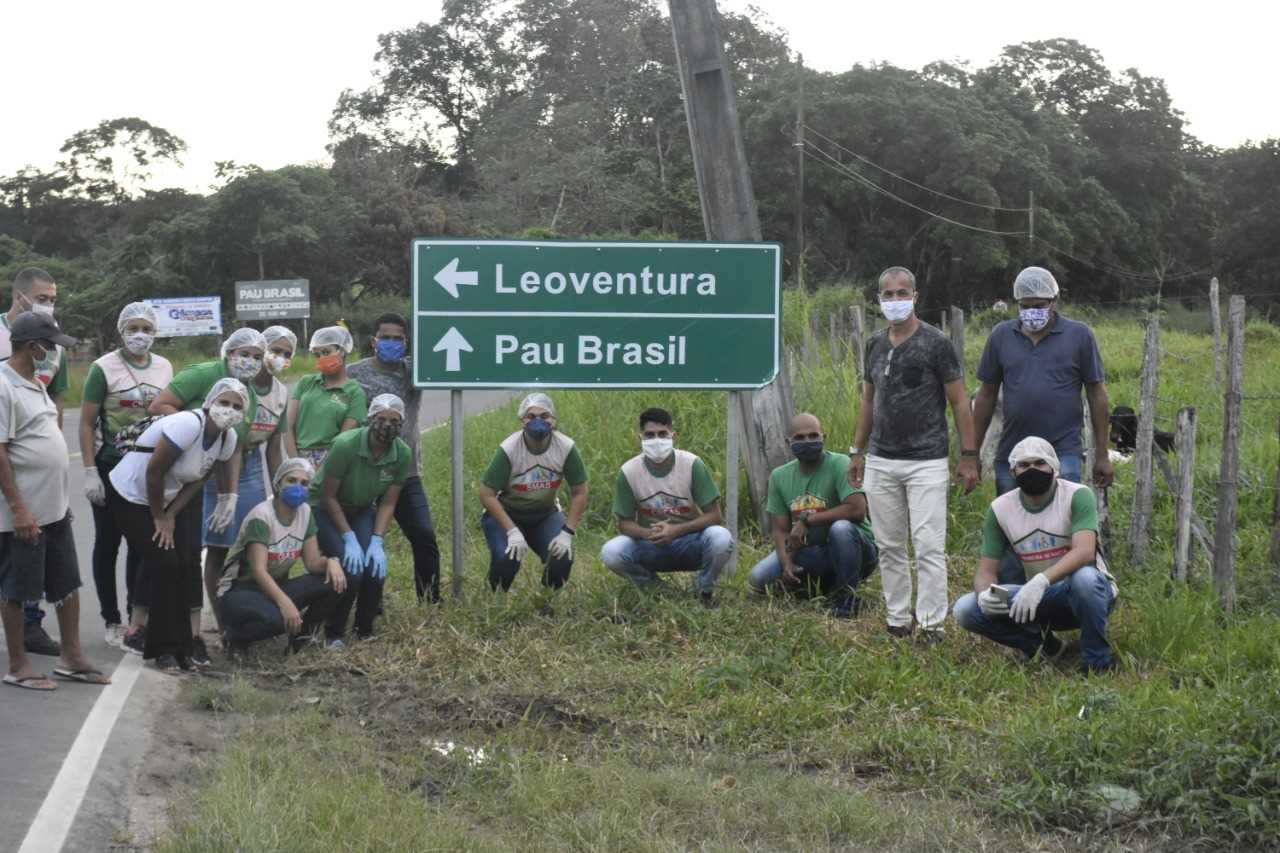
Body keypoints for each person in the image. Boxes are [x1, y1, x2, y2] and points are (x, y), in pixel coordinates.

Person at [849, 266, 979, 642]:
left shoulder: (937, 343)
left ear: (915, 296)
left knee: (927, 546)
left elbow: (958, 401)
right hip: (882, 459)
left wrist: (968, 455)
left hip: (927, 460)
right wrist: (857, 450)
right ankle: (897, 619)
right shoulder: (874, 344)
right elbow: (868, 400)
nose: (894, 301)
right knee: (889, 545)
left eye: (901, 293)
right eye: (887, 295)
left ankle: (932, 624)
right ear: (878, 300)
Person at [0, 312, 110, 690]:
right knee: (17, 587)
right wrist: (18, 508)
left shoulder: (35, 383)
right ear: (32, 346)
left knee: (67, 582)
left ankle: (72, 656)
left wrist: (61, 502)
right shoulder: (3, 385)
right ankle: (18, 665)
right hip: (22, 511)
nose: (54, 353)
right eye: (50, 346)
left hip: (54, 507)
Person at [112, 378, 247, 670]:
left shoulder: (227, 438)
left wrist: (172, 513)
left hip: (165, 498)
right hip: (130, 494)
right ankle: (162, 650)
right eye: (224, 402)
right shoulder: (188, 424)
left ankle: (183, 646)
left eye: (237, 406)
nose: (229, 410)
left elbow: (199, 478)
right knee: (164, 564)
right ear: (209, 402)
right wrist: (160, 516)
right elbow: (154, 472)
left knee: (183, 565)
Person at [953, 437, 1118, 675]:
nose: (1032, 470)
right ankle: (1045, 647)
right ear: (1012, 471)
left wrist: (1041, 581)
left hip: (1083, 593)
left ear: (1054, 468)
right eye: (1024, 465)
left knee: (1085, 579)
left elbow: (1084, 552)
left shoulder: (1077, 495)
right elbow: (986, 570)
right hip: (1035, 598)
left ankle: (1097, 662)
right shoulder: (1000, 509)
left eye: (1040, 463)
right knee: (966, 608)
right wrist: (984, 595)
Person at [148, 327, 264, 664]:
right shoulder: (202, 375)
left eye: (257, 357)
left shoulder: (249, 394)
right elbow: (159, 405)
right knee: (174, 558)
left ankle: (195, 634)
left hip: (204, 478)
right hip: (174, 475)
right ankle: (155, 631)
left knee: (208, 556)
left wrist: (231, 493)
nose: (249, 361)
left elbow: (235, 444)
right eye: (244, 353)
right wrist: (194, 429)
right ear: (228, 353)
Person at [79, 302, 173, 649]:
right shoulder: (102, 368)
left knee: (141, 544)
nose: (140, 335)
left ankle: (138, 617)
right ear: (121, 331)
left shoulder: (164, 367)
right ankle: (111, 619)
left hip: (147, 469)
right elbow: (87, 423)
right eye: (133, 329)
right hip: (109, 464)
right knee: (108, 543)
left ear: (155, 333)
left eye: (147, 329)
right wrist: (90, 471)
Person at [972, 266, 1114, 496]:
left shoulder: (1079, 335)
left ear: (1053, 301)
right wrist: (972, 453)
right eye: (1025, 306)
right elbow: (986, 394)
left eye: (1039, 306)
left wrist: (1102, 454)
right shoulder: (1001, 335)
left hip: (1063, 451)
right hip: (1013, 451)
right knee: (1012, 522)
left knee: (1064, 518)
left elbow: (1096, 394)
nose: (1031, 312)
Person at [198, 325, 293, 632]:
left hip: (250, 466)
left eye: (286, 354)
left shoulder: (280, 393)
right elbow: (229, 441)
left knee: (249, 544)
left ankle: (248, 616)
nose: (277, 358)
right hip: (217, 461)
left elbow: (274, 449)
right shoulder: (236, 383)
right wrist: (230, 493)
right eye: (273, 351)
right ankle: (220, 621)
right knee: (218, 545)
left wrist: (280, 490)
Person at [1, 268, 71, 657]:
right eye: (43, 297)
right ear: (20, 296)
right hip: (4, 448)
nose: (50, 303)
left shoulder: (52, 344)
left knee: (32, 544)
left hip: (34, 461)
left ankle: (31, 623)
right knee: (13, 547)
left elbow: (57, 399)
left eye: (53, 298)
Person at [348, 313, 442, 602]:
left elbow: (446, 354)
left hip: (405, 472)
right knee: (366, 542)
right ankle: (368, 608)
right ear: (374, 341)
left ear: (406, 342)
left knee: (424, 536)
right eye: (385, 338)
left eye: (398, 339)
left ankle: (430, 602)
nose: (391, 343)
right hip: (364, 472)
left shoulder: (415, 371)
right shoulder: (354, 374)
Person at [748, 413, 878, 618]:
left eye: (813, 435)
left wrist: (807, 521)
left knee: (840, 529)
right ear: (788, 442)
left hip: (858, 549)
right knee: (759, 577)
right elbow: (780, 529)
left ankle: (846, 601)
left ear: (823, 438)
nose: (807, 441)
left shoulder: (840, 464)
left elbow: (857, 510)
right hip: (815, 551)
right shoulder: (779, 477)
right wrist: (787, 563)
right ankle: (817, 586)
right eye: (799, 438)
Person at [599, 407, 732, 605]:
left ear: (673, 436)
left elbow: (714, 516)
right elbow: (624, 524)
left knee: (721, 538)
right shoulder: (628, 472)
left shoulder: (692, 464)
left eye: (662, 434)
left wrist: (676, 531)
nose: (656, 440)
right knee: (611, 552)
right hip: (651, 544)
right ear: (640, 438)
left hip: (690, 541)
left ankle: (704, 589)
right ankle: (656, 590)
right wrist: (651, 534)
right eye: (650, 435)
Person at [217, 458, 345, 656]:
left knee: (334, 581)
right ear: (278, 484)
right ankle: (236, 637)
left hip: (272, 588)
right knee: (277, 620)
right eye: (291, 480)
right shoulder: (262, 516)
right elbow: (258, 570)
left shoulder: (305, 512)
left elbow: (312, 563)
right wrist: (285, 604)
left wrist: (332, 562)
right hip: (240, 590)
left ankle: (300, 640)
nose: (297, 487)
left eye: (304, 483)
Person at [310, 393, 411, 646]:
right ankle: (333, 632)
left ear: (402, 424)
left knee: (374, 570)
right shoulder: (346, 444)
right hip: (325, 508)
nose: (387, 425)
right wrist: (348, 537)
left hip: (362, 509)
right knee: (351, 570)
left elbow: (388, 501)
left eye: (394, 420)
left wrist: (377, 540)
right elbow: (328, 495)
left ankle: (364, 630)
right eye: (381, 418)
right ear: (370, 419)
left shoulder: (402, 453)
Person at [478, 393, 589, 592]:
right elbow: (486, 493)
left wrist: (568, 532)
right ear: (522, 421)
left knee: (562, 556)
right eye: (531, 416)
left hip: (544, 515)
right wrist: (512, 531)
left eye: (545, 416)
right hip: (508, 513)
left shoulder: (565, 447)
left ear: (553, 420)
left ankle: (548, 596)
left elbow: (580, 491)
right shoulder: (509, 449)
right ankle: (495, 592)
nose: (538, 421)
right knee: (506, 557)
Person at [284, 325, 366, 470]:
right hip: (299, 460)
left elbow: (343, 439)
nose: (322, 358)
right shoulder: (306, 383)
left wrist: (321, 469)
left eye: (326, 352)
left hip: (333, 460)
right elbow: (287, 427)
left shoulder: (355, 392)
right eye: (317, 354)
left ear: (342, 351)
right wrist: (297, 464)